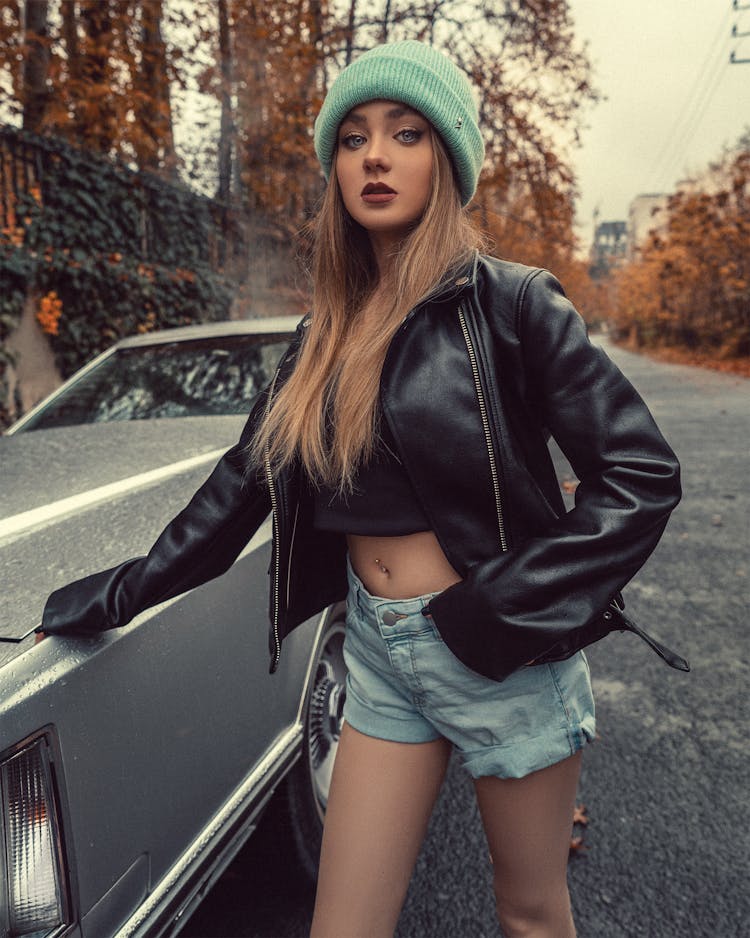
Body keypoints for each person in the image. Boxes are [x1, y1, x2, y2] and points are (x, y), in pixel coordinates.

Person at [39, 40, 688, 938]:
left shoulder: (514, 306)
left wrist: (504, 602)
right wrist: (115, 592)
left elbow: (642, 475)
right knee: (342, 925)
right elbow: (241, 488)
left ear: (446, 159)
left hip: (503, 652)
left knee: (532, 914)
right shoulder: (323, 336)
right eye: (351, 139)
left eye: (405, 133)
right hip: (378, 656)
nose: (374, 155)